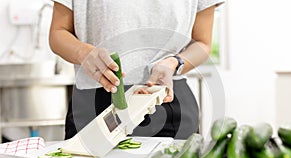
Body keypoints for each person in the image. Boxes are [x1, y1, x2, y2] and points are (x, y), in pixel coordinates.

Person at [49, 0, 225, 140]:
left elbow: (202, 43)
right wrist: (84, 54)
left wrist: (173, 63)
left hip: (166, 99)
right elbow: (58, 32)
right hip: (94, 103)